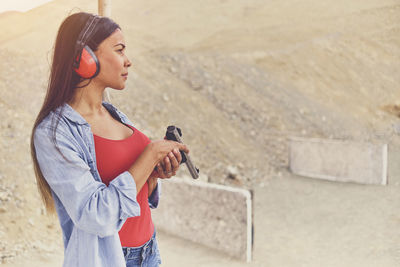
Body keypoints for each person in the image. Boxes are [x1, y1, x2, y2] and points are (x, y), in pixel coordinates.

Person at [30, 12, 189, 267]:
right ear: (85, 58)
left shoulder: (115, 115)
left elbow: (135, 194)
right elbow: (96, 215)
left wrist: (153, 174)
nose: (128, 61)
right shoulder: (54, 134)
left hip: (149, 253)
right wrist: (149, 155)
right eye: (119, 50)